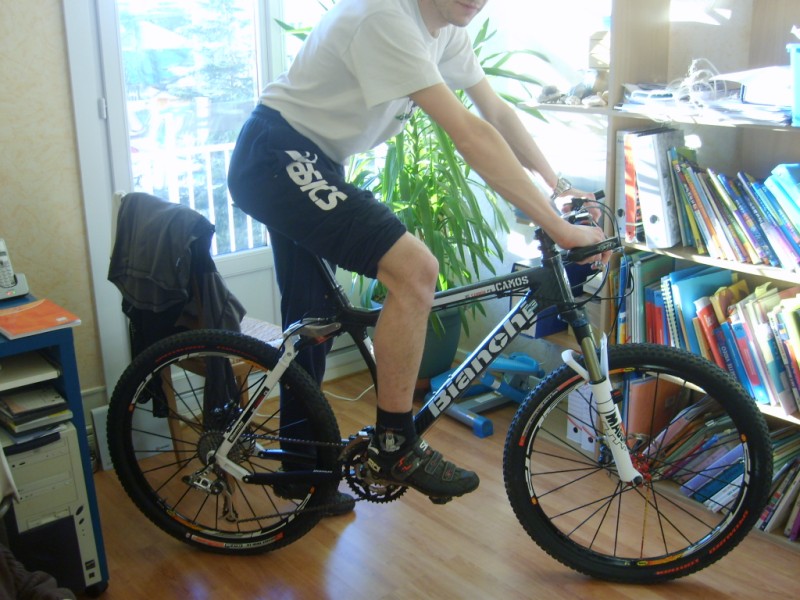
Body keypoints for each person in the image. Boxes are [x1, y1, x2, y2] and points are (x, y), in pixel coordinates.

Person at [227, 0, 607, 513]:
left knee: (313, 322)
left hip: (312, 160)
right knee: (415, 269)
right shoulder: (385, 16)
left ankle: (301, 474)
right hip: (278, 155)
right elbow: (469, 133)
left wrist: (559, 189)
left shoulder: (445, 28)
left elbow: (495, 113)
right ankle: (395, 445)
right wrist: (558, 229)